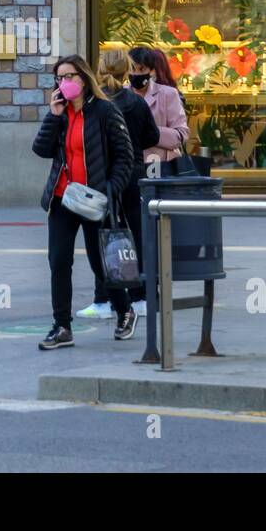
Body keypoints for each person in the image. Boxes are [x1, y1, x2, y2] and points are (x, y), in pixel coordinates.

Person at [32, 54, 136, 349]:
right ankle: (62, 326)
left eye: (69, 77)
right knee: (58, 261)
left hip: (94, 200)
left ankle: (124, 309)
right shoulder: (60, 112)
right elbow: (40, 149)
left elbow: (125, 156)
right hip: (63, 197)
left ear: (84, 78)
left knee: (100, 262)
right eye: (59, 78)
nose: (64, 83)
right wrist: (53, 116)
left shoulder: (105, 110)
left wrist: (111, 189)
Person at [96, 48, 159, 327]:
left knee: (103, 234)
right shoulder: (136, 102)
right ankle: (141, 295)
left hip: (102, 176)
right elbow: (152, 136)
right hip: (133, 173)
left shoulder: (94, 103)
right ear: (128, 70)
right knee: (136, 233)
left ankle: (106, 298)